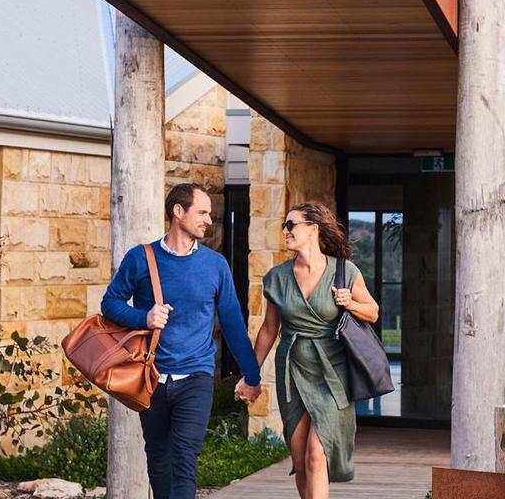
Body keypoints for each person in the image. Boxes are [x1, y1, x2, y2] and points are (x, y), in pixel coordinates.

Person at [101, 183, 261, 499]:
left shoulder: (215, 265)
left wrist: (252, 375)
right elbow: (110, 303)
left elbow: (232, 323)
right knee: (159, 460)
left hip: (196, 376)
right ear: (178, 211)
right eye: (202, 213)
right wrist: (144, 318)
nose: (209, 221)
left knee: (185, 457)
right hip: (151, 377)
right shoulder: (140, 258)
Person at [254, 202, 379, 499]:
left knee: (316, 454)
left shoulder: (344, 271)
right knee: (300, 460)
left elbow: (372, 312)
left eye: (291, 225)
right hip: (292, 371)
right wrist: (250, 373)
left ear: (313, 229)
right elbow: (269, 329)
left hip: (333, 372)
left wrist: (350, 303)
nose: (285, 231)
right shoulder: (277, 277)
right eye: (284, 225)